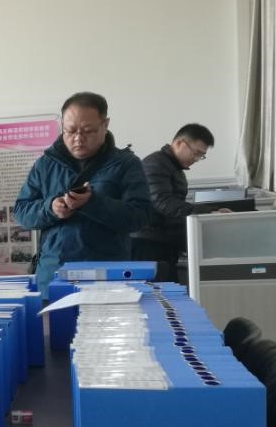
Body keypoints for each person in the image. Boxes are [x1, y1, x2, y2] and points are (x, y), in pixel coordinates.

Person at [14, 91, 152, 295]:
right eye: (70, 131)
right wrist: (51, 208)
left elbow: (140, 216)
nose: (78, 138)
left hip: (106, 277)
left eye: (88, 131)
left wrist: (93, 203)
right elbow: (21, 211)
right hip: (53, 275)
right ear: (62, 125)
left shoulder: (126, 164)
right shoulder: (45, 164)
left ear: (105, 125)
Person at [130, 123, 217, 281]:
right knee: (157, 293)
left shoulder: (172, 166)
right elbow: (162, 202)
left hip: (162, 242)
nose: (196, 159)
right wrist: (207, 212)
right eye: (196, 153)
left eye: (201, 156)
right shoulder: (155, 163)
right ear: (179, 143)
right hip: (148, 244)